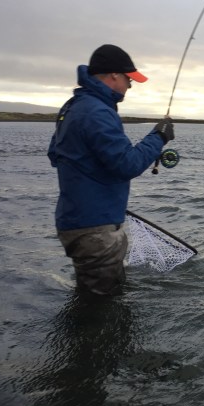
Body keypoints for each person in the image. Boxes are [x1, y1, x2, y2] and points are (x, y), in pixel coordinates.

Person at [48, 44, 174, 296]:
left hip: (77, 222)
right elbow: (127, 164)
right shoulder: (97, 111)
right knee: (100, 307)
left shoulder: (74, 106)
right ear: (115, 75)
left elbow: (57, 155)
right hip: (95, 229)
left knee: (94, 298)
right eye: (129, 79)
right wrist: (158, 137)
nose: (130, 86)